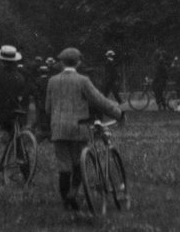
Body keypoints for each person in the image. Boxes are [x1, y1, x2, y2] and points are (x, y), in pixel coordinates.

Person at [44, 47, 122, 212]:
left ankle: (66, 202)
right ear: (78, 62)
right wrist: (118, 113)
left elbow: (48, 108)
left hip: (58, 129)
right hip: (78, 128)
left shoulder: (52, 81)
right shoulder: (83, 80)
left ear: (61, 62)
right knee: (79, 162)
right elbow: (99, 100)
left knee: (63, 166)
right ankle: (73, 192)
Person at [0, 45, 30, 159]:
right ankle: (23, 165)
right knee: (14, 134)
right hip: (14, 111)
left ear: (2, 60)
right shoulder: (20, 77)